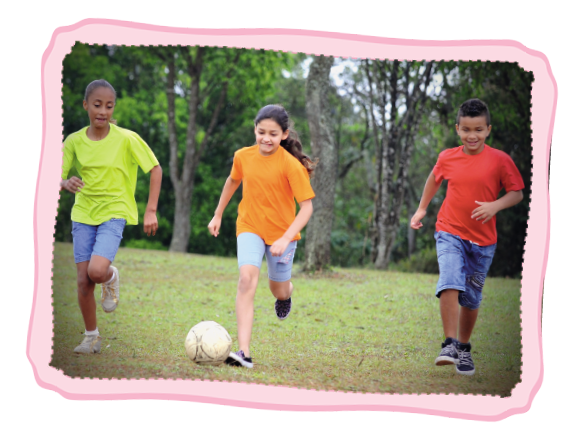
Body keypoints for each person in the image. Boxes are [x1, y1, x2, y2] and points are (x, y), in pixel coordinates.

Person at [410, 98, 524, 376]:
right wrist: (422, 209)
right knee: (450, 280)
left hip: (483, 243)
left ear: (488, 130)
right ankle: (448, 343)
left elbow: (517, 192)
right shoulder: (447, 157)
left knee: (471, 298)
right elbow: (434, 179)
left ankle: (463, 348)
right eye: (466, 130)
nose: (472, 136)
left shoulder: (500, 160)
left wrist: (495, 206)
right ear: (457, 129)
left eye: (478, 130)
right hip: (450, 231)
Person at [208, 104, 316, 368]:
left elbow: (307, 208)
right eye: (261, 132)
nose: (266, 138)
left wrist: (285, 238)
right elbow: (233, 181)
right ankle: (243, 352)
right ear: (254, 130)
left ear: (284, 135)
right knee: (247, 279)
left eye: (273, 133)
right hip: (250, 226)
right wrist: (218, 213)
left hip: (283, 234)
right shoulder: (243, 156)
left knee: (277, 289)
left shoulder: (292, 166)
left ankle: (286, 294)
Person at [61, 79, 163, 354]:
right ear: (85, 106)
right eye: (97, 105)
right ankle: (91, 336)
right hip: (83, 213)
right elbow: (54, 173)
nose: (103, 111)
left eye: (108, 106)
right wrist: (63, 183)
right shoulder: (73, 141)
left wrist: (150, 210)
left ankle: (110, 276)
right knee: (83, 281)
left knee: (96, 272)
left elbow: (155, 169)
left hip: (114, 212)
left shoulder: (127, 138)